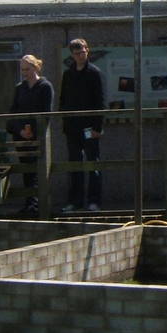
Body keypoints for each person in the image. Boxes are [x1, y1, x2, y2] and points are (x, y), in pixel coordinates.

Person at [59, 38, 107, 212]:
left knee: (92, 163)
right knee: (74, 164)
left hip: (89, 128)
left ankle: (94, 201)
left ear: (88, 50)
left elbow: (100, 101)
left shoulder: (94, 73)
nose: (80, 55)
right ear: (72, 54)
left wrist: (97, 128)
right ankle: (75, 201)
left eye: (82, 52)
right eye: (76, 53)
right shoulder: (68, 74)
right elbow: (63, 99)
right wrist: (64, 122)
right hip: (72, 127)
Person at [5, 53, 53, 215]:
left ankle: (38, 204)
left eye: (27, 69)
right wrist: (19, 130)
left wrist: (33, 131)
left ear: (35, 67)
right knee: (27, 170)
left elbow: (46, 112)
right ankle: (30, 203)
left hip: (37, 134)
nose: (24, 73)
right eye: (22, 69)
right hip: (21, 135)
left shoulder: (45, 86)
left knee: (37, 169)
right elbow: (14, 111)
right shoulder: (20, 88)